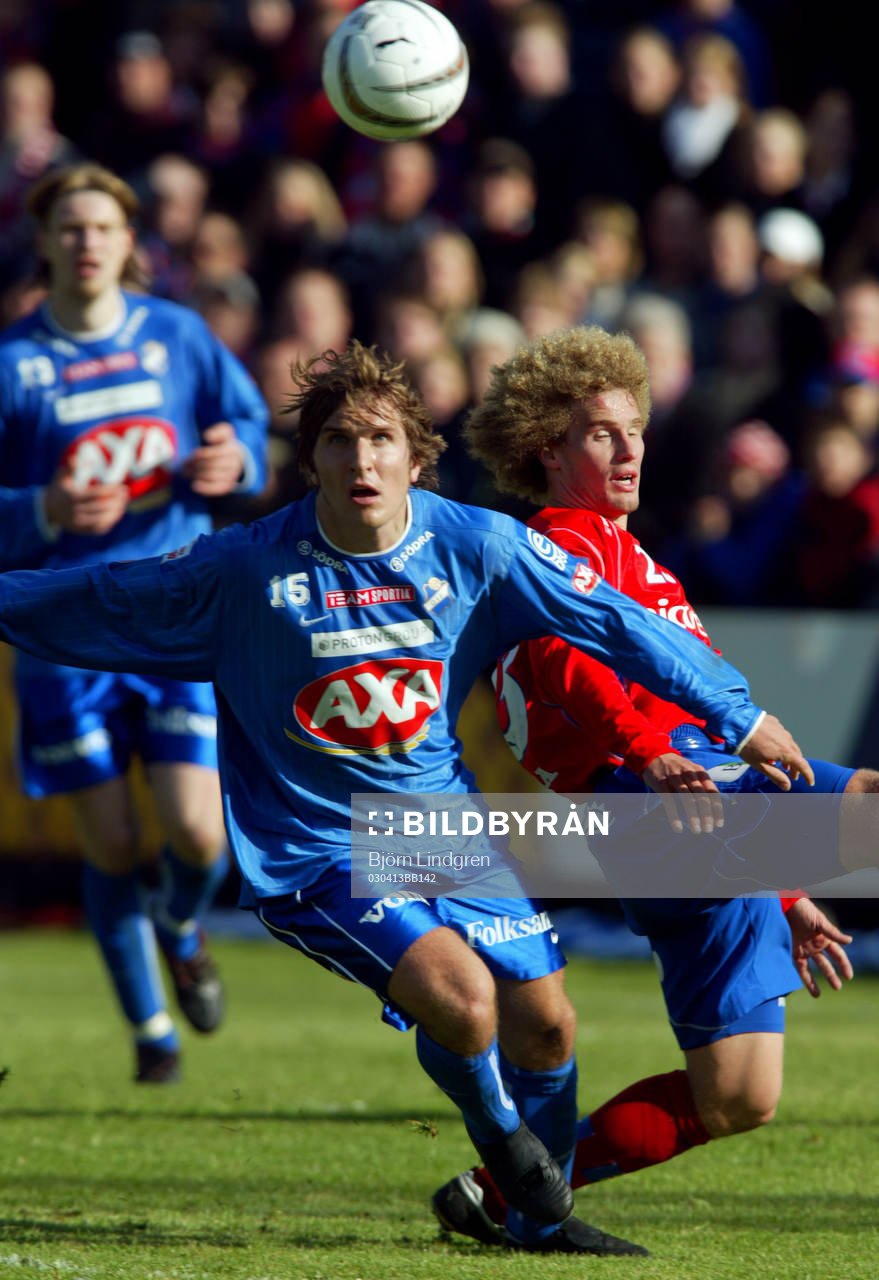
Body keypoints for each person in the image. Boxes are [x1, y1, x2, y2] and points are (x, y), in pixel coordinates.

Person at [0, 338, 810, 1253]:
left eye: (381, 439)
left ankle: (526, 1226)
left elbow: (617, 626)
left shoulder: (477, 545)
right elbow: (96, 597)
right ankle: (512, 1158)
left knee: (544, 1023)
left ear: (417, 457)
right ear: (309, 461)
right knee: (465, 999)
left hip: (437, 827)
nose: (361, 459)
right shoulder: (241, 571)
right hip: (315, 844)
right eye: (338, 441)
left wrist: (733, 717)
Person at [431, 324, 860, 1245]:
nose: (628, 448)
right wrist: (642, 751)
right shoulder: (547, 545)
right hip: (648, 799)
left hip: (697, 808)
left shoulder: (636, 557)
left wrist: (784, 888)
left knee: (739, 1095)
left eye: (633, 428)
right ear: (549, 448)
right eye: (600, 433)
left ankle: (501, 1192)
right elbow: (555, 663)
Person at [0, 163, 269, 1083]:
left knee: (199, 835)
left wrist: (233, 461)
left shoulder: (178, 337)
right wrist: (39, 512)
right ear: (44, 242)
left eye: (102, 227)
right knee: (112, 842)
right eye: (69, 228)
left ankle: (181, 922)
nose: (85, 243)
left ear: (129, 243)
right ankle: (152, 1033)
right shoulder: (15, 364)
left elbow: (248, 432)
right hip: (62, 628)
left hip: (174, 612)